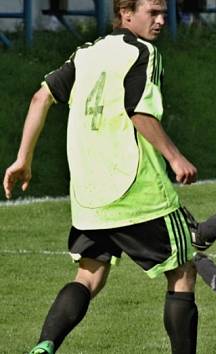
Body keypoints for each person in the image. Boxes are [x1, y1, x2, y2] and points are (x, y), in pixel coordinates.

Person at [3, 1, 199, 353]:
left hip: (88, 193)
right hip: (135, 188)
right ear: (126, 13)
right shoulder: (143, 52)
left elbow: (39, 98)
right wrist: (175, 156)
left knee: (89, 275)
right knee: (182, 271)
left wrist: (22, 159)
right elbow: (140, 111)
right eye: (152, 12)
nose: (160, 20)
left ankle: (44, 346)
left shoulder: (85, 54)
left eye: (162, 12)